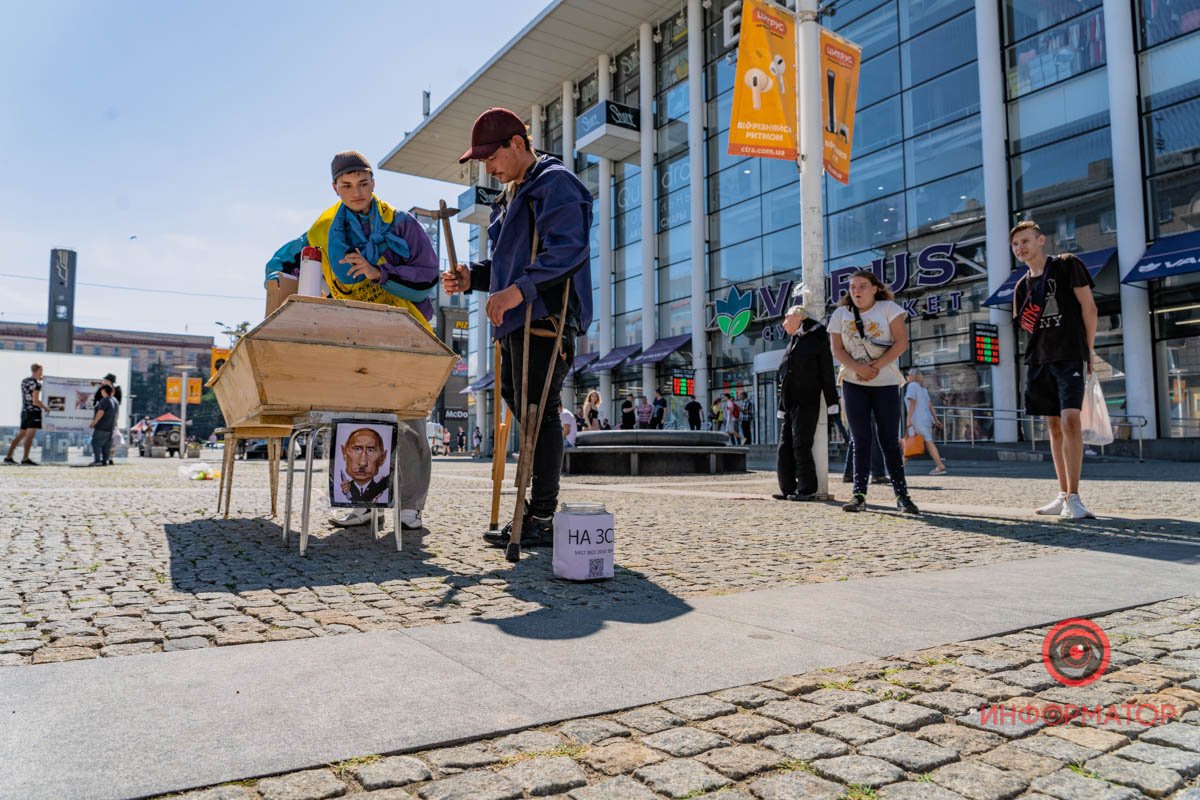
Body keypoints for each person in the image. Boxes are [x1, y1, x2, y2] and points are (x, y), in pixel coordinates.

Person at [441, 108, 593, 548]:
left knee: (539, 411)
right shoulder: (512, 193)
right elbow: (508, 264)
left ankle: (542, 516)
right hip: (516, 320)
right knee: (527, 412)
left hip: (544, 317)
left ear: (518, 143)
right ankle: (534, 513)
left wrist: (517, 291)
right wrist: (476, 277)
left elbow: (567, 250)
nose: (487, 167)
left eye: (492, 156)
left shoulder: (555, 182)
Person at [266, 150, 438, 532]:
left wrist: (381, 272)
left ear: (373, 182)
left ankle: (409, 506)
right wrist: (274, 276)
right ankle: (361, 502)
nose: (356, 192)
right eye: (346, 186)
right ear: (335, 189)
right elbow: (288, 257)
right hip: (355, 333)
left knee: (410, 420)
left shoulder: (402, 223)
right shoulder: (325, 227)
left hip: (405, 332)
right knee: (357, 419)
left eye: (363, 184)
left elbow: (428, 277)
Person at [1011, 220, 1098, 519]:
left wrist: (1089, 351)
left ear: (1040, 240)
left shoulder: (1066, 265)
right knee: (1053, 427)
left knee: (1071, 420)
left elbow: (1089, 307)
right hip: (1039, 359)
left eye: (1025, 241)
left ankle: (1074, 498)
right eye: (1015, 244)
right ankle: (1062, 494)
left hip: (1070, 354)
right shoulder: (1022, 286)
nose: (1021, 248)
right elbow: (1026, 329)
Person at [829, 269, 919, 514]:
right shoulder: (840, 314)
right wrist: (858, 368)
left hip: (886, 382)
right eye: (853, 287)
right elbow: (837, 350)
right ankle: (859, 494)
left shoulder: (889, 309)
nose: (856, 291)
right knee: (860, 439)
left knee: (889, 439)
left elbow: (901, 342)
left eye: (862, 286)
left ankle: (902, 495)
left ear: (875, 288)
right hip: (853, 382)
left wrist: (874, 367)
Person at [774, 308, 838, 501]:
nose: (784, 322)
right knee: (785, 445)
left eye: (787, 317)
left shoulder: (816, 337)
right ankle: (787, 487)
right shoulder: (794, 340)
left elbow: (827, 371)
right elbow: (785, 376)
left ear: (798, 317)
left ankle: (807, 488)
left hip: (807, 400)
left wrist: (832, 401)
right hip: (790, 403)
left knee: (801, 444)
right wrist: (781, 406)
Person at [904, 369, 946, 475]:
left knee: (910, 444)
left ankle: (898, 470)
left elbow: (912, 403)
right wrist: (935, 419)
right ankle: (940, 465)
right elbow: (929, 405)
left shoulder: (912, 386)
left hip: (917, 420)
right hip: (926, 419)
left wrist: (908, 419)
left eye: (907, 375)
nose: (906, 377)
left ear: (912, 376)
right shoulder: (923, 388)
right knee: (926, 442)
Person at [6, 363, 49, 465]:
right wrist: (45, 408)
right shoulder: (37, 384)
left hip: (24, 411)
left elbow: (29, 392)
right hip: (33, 412)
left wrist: (41, 379)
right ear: (36, 371)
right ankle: (25, 458)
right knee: (29, 436)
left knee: (20, 435)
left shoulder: (25, 381)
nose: (42, 373)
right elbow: (35, 401)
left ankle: (8, 456)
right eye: (41, 371)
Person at [338, 428, 389, 503]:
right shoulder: (345, 489)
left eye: (370, 450)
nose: (363, 463)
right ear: (344, 453)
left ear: (382, 458)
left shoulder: (381, 487)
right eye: (357, 449)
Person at [88, 384, 119, 466]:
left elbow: (100, 412)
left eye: (102, 390)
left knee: (96, 443)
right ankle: (105, 460)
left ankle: (97, 460)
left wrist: (93, 422)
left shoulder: (104, 400)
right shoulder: (115, 401)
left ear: (104, 391)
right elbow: (116, 415)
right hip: (110, 427)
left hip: (102, 426)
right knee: (106, 445)